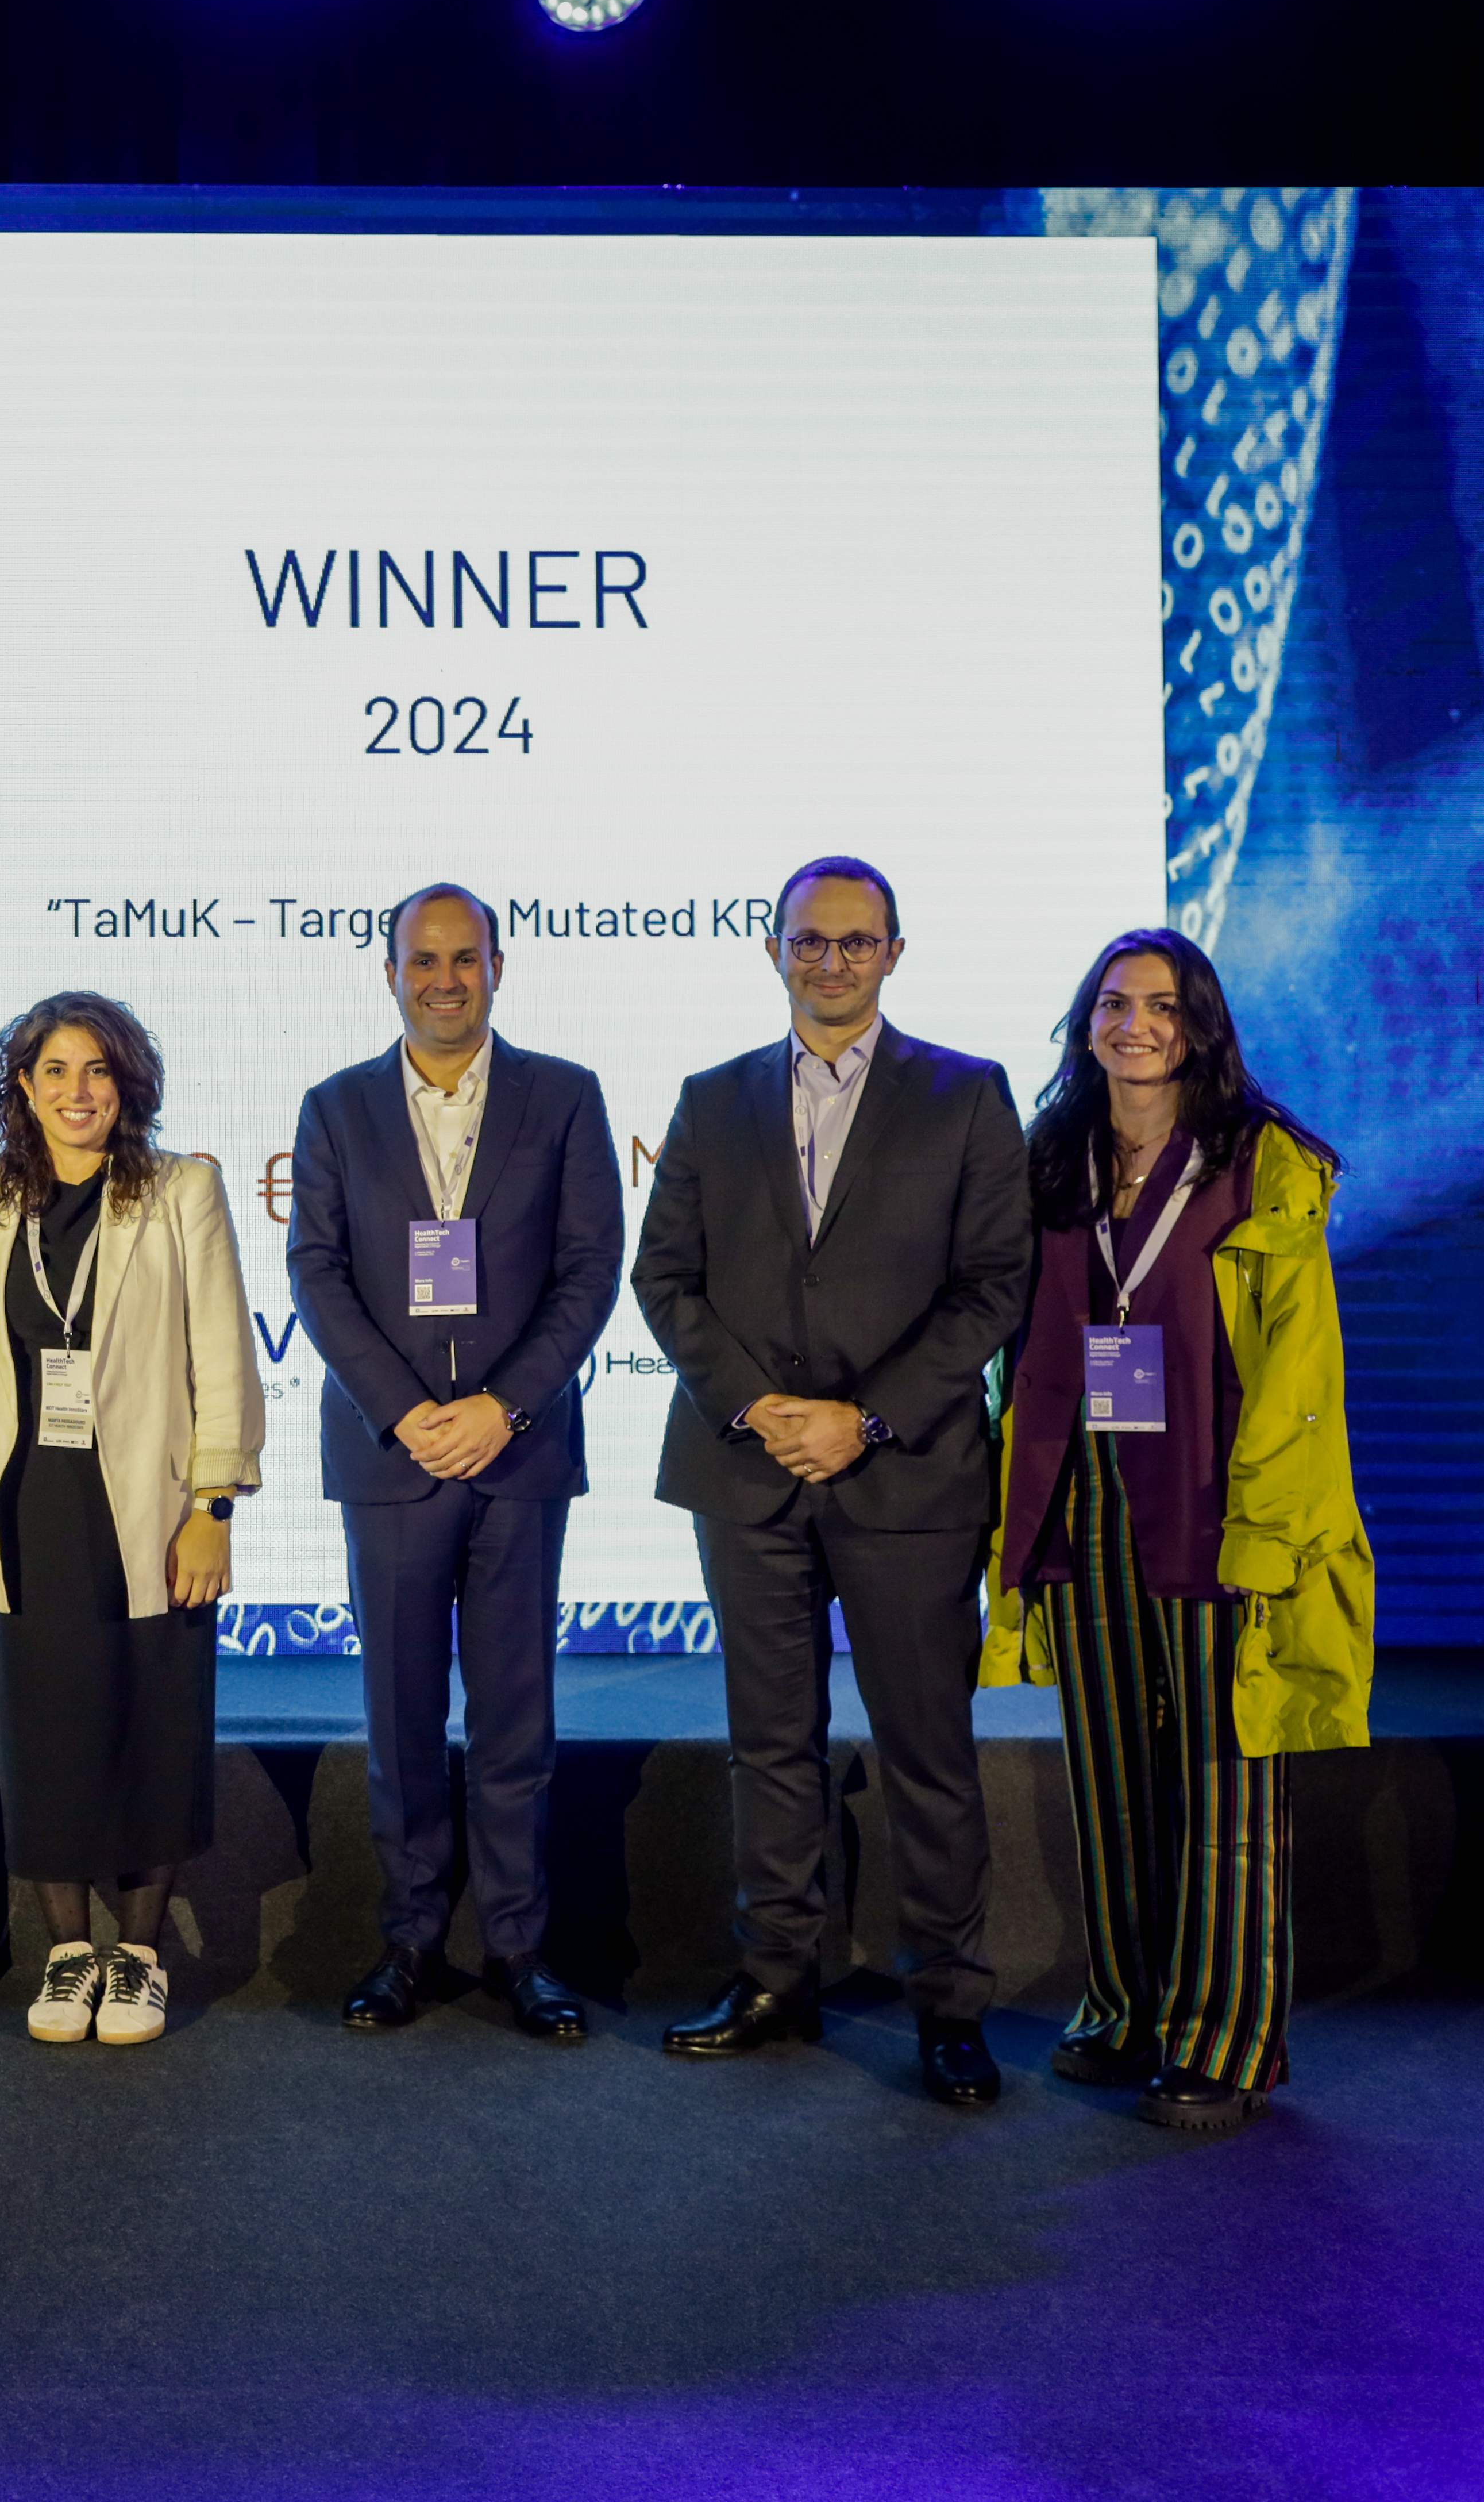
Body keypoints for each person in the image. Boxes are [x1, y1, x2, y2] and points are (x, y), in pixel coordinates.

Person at [632, 856, 1032, 2108]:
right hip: (746, 1473)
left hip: (907, 1478)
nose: (833, 960)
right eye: (811, 940)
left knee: (927, 1749)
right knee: (771, 1747)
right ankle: (777, 1976)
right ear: (773, 949)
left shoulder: (968, 1096)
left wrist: (863, 1419)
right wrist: (760, 1407)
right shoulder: (710, 1099)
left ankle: (950, 2004)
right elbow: (667, 1279)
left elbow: (994, 1287)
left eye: (858, 941)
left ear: (896, 953)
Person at [984, 929, 1370, 2133]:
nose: (1134, 1023)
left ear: (1201, 1025)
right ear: (1084, 1023)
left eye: (1160, 1004)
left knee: (1225, 1772)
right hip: (1084, 1488)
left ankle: (1226, 2036)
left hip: (1216, 1495)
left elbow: (1300, 1365)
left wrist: (1277, 1524)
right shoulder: (1053, 1155)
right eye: (1113, 1002)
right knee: (1110, 1766)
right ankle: (1130, 2006)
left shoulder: (1265, 1162)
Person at [285, 886, 622, 2042]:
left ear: (497, 966)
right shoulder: (335, 1108)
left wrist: (502, 1407)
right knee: (403, 1715)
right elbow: (316, 1272)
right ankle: (412, 1938)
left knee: (518, 1717)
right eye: (421, 960)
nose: (444, 978)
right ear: (388, 973)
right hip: (395, 1460)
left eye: (464, 958)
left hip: (516, 1458)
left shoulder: (566, 1097)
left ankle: (523, 1947)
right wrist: (409, 1412)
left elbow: (589, 1271)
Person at [0, 992, 265, 2048]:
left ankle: (136, 1956)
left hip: (150, 1502)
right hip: (28, 1501)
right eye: (55, 1070)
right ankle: (66, 1948)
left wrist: (214, 1505)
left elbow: (223, 1352)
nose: (77, 1091)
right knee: (44, 1722)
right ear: (24, 1087)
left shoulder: (182, 1190)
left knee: (156, 1718)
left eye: (97, 1071)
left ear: (127, 1085)